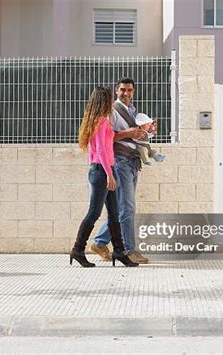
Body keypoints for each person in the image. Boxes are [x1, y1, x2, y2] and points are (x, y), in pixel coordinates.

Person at [70, 86, 139, 268]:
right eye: (109, 99)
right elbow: (100, 150)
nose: (111, 103)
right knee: (94, 212)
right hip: (101, 172)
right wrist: (109, 175)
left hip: (105, 170)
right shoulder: (100, 122)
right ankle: (77, 250)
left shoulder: (100, 121)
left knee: (114, 213)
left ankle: (119, 251)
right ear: (103, 101)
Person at [90, 78, 152, 264]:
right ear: (116, 91)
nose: (126, 93)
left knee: (123, 209)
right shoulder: (113, 111)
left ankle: (100, 242)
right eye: (123, 90)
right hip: (120, 162)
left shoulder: (132, 111)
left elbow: (133, 133)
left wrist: (144, 132)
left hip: (132, 162)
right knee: (127, 208)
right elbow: (109, 137)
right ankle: (128, 251)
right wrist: (130, 133)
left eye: (130, 90)